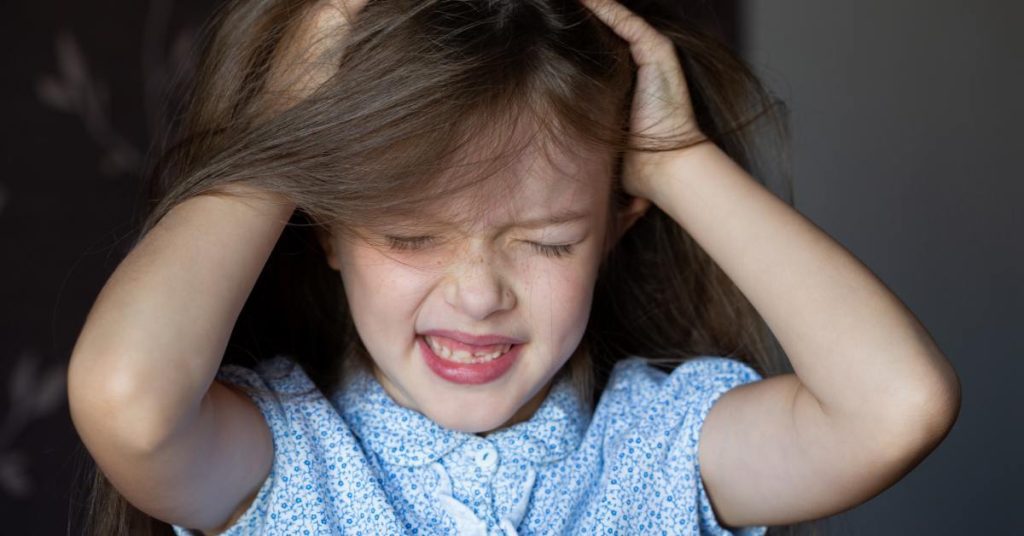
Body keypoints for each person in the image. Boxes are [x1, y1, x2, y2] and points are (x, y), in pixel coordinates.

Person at [66, 0, 962, 534]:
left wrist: (676, 157)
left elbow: (898, 406)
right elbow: (124, 401)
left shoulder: (664, 448)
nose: (480, 293)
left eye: (546, 241)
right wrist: (284, 147)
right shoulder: (280, 458)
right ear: (325, 231)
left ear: (617, 226)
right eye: (412, 237)